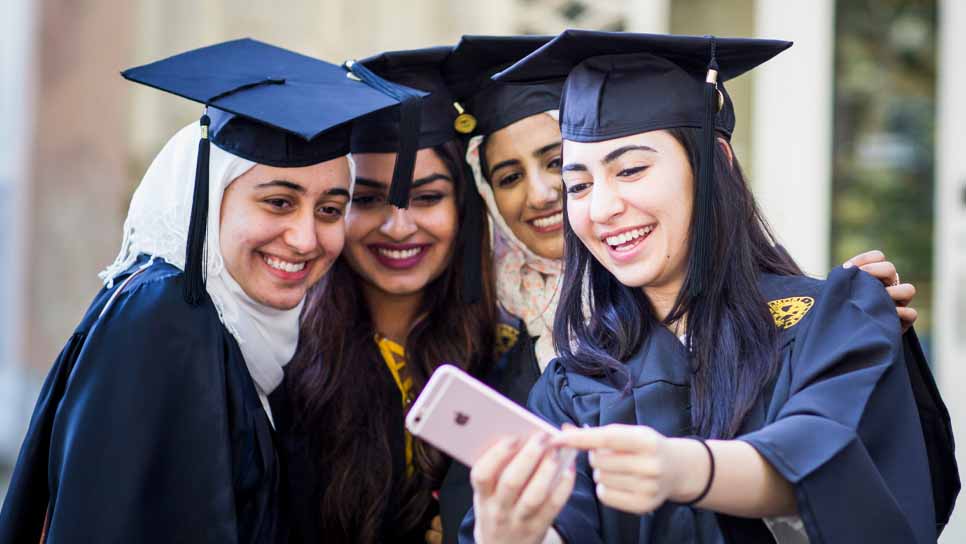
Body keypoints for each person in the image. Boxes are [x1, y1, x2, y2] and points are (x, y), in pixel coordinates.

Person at [463, 30, 956, 543]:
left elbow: (835, 462)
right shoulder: (574, 386)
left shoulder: (829, 322)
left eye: (630, 169)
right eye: (580, 184)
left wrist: (686, 468)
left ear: (716, 164)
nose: (602, 208)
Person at [0, 39, 421, 543]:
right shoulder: (168, 316)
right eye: (279, 203)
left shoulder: (234, 329)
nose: (306, 238)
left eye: (329, 210)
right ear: (210, 197)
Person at [274, 46, 508, 544]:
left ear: (464, 207)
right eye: (366, 199)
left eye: (427, 197)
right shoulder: (281, 360)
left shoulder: (507, 356)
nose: (398, 227)